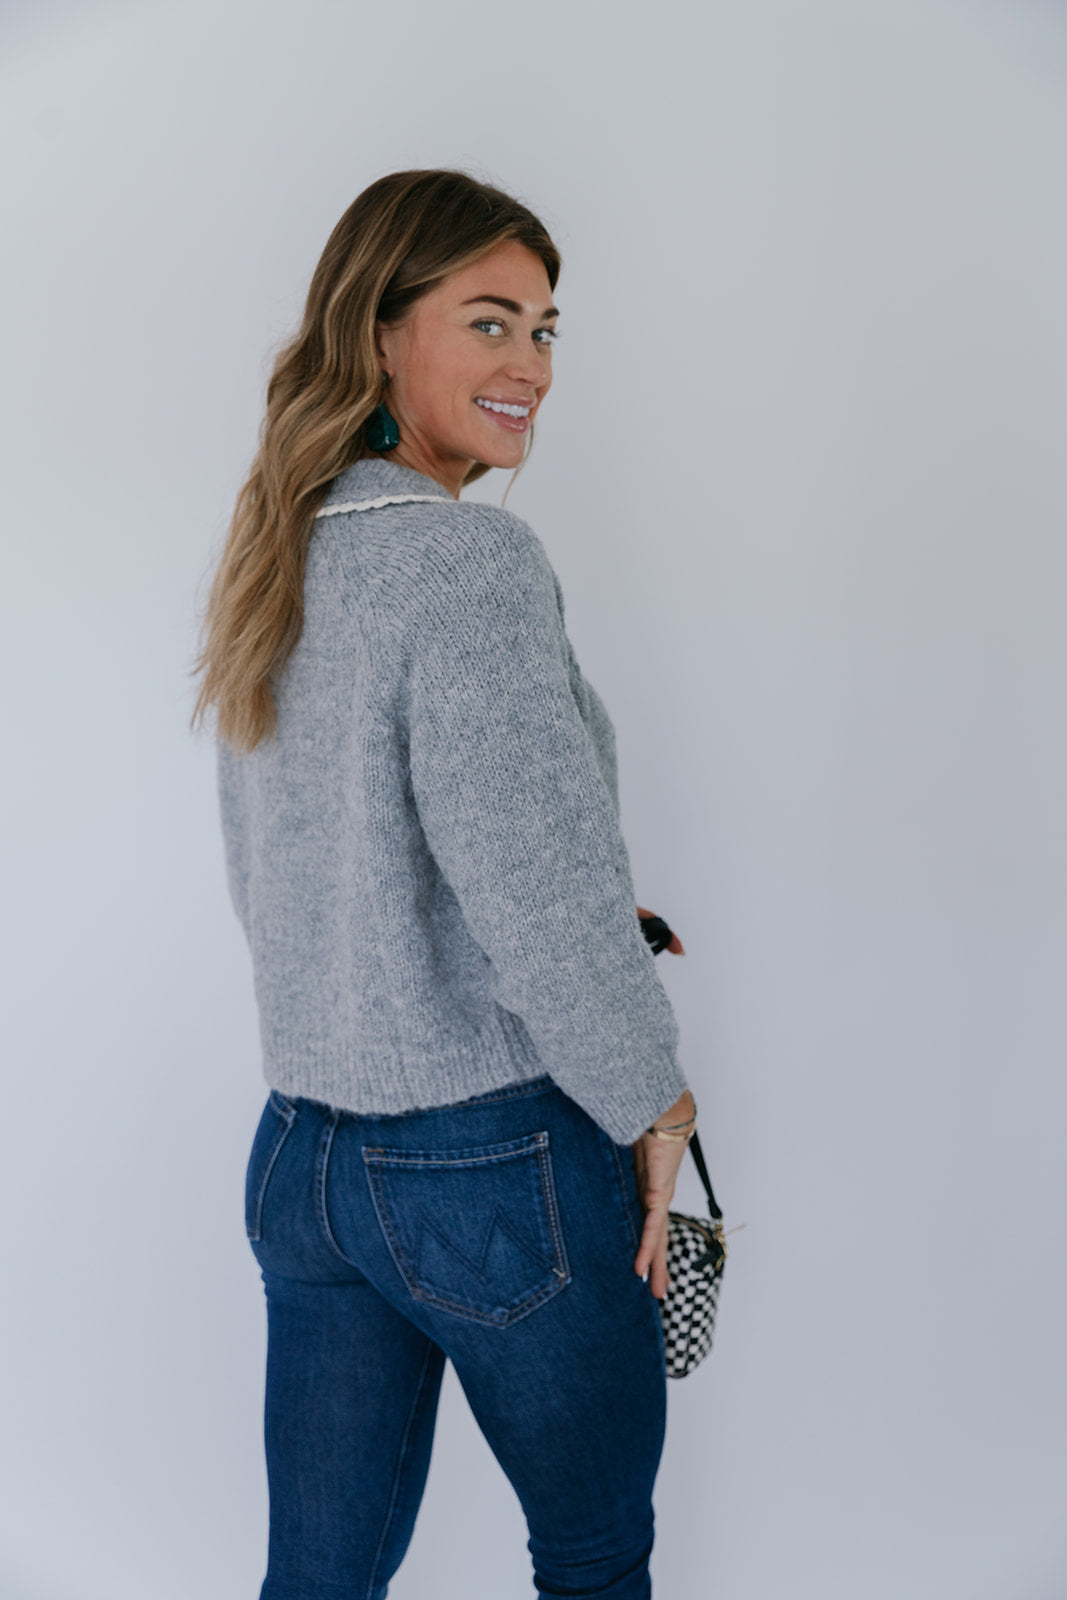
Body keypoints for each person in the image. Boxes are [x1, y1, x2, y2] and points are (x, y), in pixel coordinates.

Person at [191, 168, 699, 1600]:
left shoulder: (277, 559)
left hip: (305, 1160)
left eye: (545, 329)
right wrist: (657, 1106)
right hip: (490, 1171)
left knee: (319, 1584)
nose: (529, 365)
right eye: (488, 322)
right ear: (379, 335)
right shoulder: (466, 567)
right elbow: (532, 900)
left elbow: (312, 872)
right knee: (596, 1561)